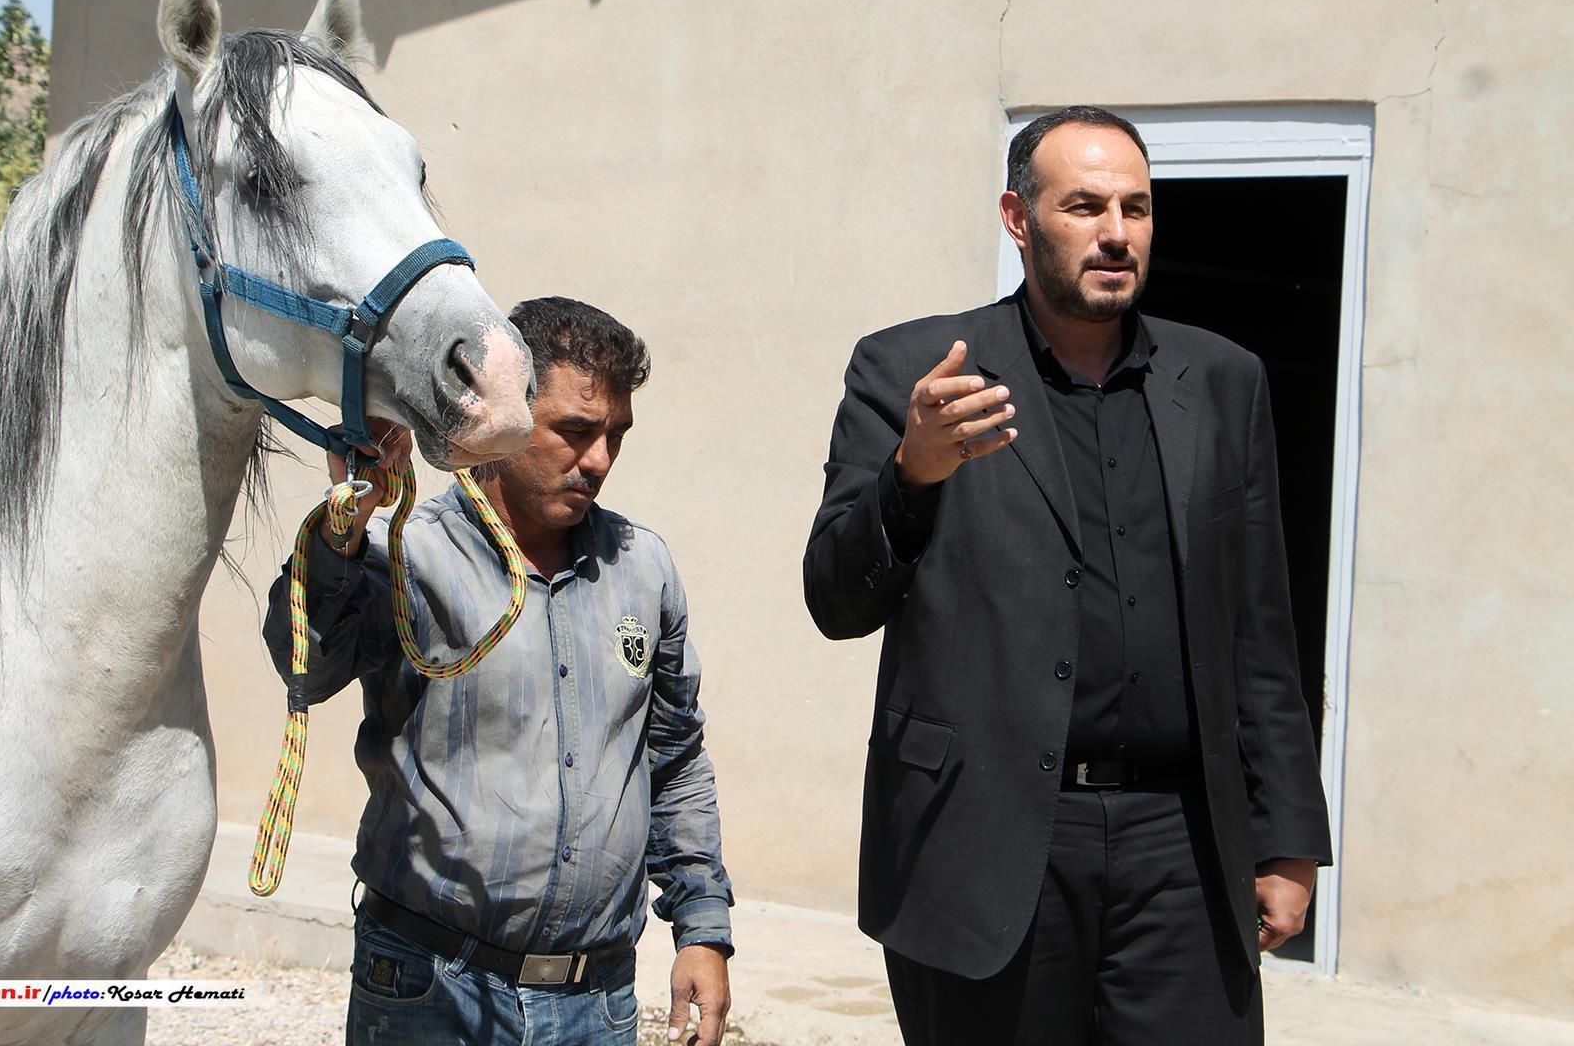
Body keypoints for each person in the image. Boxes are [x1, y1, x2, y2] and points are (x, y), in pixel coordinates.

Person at [802, 106, 1332, 1044]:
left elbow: (1260, 630)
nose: (1116, 234)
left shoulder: (1220, 380)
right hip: (984, 836)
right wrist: (912, 473)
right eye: (1084, 206)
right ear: (1018, 217)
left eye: (1136, 208)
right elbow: (837, 600)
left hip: (1181, 845)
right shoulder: (911, 372)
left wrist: (1287, 837)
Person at [265, 296, 733, 1046]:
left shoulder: (643, 569)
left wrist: (703, 928)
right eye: (576, 432)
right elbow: (305, 668)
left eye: (616, 435)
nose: (600, 460)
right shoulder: (405, 548)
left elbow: (674, 760)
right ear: (505, 417)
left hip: (596, 1001)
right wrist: (344, 529)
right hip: (427, 990)